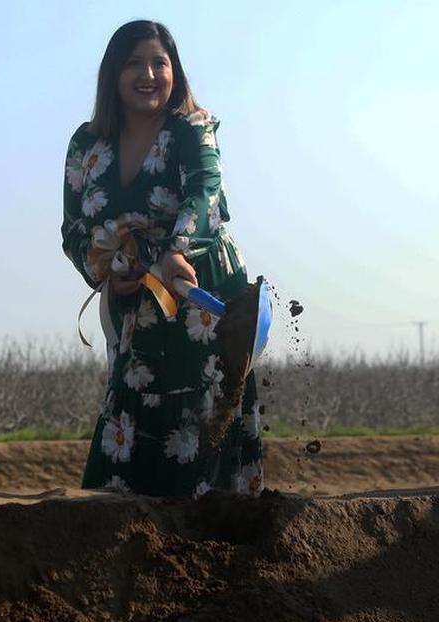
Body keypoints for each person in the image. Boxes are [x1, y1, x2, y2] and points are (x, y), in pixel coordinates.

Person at [61, 20, 263, 497]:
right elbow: (74, 229)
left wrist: (175, 252)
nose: (147, 74)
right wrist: (109, 273)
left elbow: (205, 195)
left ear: (175, 72)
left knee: (200, 428)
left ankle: (209, 550)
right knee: (129, 424)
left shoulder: (193, 127)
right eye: (133, 64)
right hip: (136, 302)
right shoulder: (86, 144)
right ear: (113, 74)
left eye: (159, 63)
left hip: (201, 293)